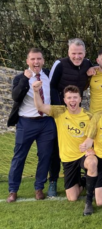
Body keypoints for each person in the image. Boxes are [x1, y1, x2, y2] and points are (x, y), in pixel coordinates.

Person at [33, 84, 97, 215]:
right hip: (68, 157)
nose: (72, 100)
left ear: (80, 99)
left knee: (92, 162)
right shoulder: (59, 111)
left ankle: (89, 199)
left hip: (83, 155)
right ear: (64, 100)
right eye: (69, 98)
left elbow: (95, 136)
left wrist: (92, 149)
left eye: (75, 97)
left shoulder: (89, 116)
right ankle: (84, 181)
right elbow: (40, 107)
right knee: (72, 197)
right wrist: (35, 91)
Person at [6, 48, 56, 202]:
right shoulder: (21, 77)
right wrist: (24, 80)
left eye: (39, 59)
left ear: (43, 61)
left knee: (45, 156)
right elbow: (15, 96)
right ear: (27, 61)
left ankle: (39, 188)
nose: (36, 62)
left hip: (46, 122)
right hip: (26, 122)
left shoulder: (48, 75)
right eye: (33, 59)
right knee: (19, 156)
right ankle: (13, 190)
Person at [48, 38, 94, 197]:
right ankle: (53, 180)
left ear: (85, 53)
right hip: (60, 113)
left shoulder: (88, 63)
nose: (77, 57)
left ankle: (87, 178)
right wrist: (59, 109)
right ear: (68, 52)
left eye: (80, 53)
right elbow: (51, 86)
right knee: (56, 146)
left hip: (78, 111)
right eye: (74, 53)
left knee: (84, 140)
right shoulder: (59, 64)